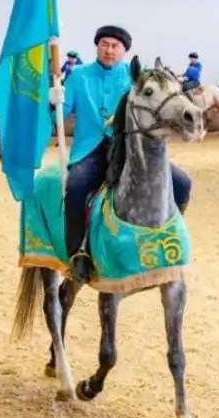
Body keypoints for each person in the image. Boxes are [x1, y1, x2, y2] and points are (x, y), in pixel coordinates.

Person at [59, 25, 191, 283]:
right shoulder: (78, 76)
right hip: (91, 150)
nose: (109, 50)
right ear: (97, 46)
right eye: (105, 44)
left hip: (131, 150)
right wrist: (55, 100)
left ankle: (169, 233)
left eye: (115, 46)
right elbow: (60, 116)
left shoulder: (135, 79)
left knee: (183, 183)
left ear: (124, 51)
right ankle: (79, 253)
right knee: (75, 187)